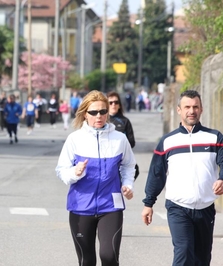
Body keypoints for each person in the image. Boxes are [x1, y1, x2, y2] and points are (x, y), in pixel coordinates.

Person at [141, 90, 223, 266]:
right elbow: (157, 173)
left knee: (202, 259)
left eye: (195, 107)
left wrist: (222, 179)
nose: (191, 111)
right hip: (178, 207)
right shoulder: (168, 141)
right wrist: (149, 203)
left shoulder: (215, 138)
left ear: (201, 110)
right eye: (187, 107)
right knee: (183, 252)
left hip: (205, 207)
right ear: (179, 110)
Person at [55, 90, 136, 266]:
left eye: (103, 111)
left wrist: (128, 185)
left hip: (111, 206)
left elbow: (129, 165)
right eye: (93, 112)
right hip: (81, 206)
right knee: (86, 261)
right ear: (85, 114)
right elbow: (62, 170)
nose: (98, 116)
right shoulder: (74, 139)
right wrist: (75, 172)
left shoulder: (120, 139)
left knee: (109, 256)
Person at [107, 91, 140, 180]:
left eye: (116, 102)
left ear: (119, 105)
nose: (113, 105)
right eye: (110, 102)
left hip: (120, 159)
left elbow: (132, 142)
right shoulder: (101, 121)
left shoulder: (125, 121)